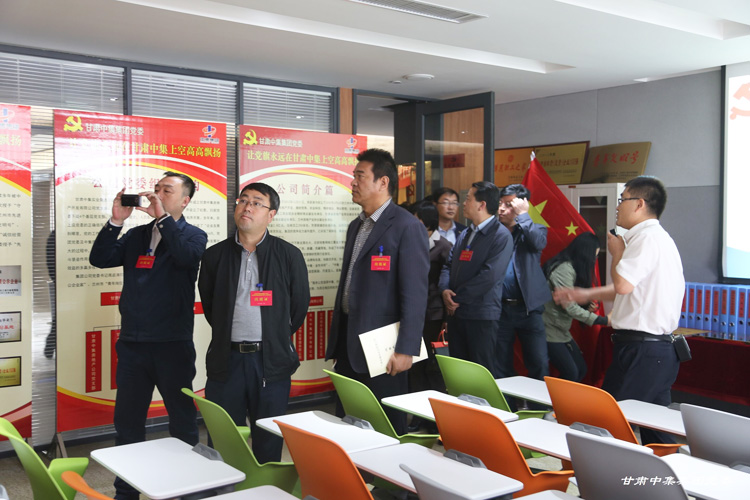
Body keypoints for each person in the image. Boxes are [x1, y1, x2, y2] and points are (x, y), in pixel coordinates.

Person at [89, 172, 206, 500]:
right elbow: (100, 259)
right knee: (127, 424)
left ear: (185, 201)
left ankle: (186, 488)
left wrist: (164, 219)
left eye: (167, 190)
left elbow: (184, 257)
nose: (157, 194)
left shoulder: (194, 235)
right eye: (156, 189)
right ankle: (126, 492)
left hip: (172, 345)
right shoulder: (136, 235)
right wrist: (116, 221)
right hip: (133, 345)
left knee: (182, 420)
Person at [554, 176, 684, 445]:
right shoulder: (658, 238)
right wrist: (585, 294)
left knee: (607, 424)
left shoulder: (645, 239)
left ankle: (602, 471)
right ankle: (668, 470)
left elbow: (623, 285)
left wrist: (617, 254)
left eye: (622, 199)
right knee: (655, 429)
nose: (617, 206)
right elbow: (629, 288)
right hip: (653, 350)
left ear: (639, 204)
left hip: (643, 349)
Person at [198, 182, 309, 463]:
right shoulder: (215, 255)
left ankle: (265, 486)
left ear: (271, 215)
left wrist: (275, 335)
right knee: (224, 440)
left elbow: (299, 306)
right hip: (227, 361)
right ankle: (225, 485)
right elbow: (211, 306)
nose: (247, 207)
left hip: (270, 362)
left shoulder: (288, 255)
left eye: (257, 202)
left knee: (268, 440)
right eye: (243, 200)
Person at [325, 148, 429, 435]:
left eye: (360, 176)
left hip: (384, 350)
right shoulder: (356, 226)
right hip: (349, 345)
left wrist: (406, 349)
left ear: (383, 182)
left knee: (385, 427)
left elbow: (415, 295)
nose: (353, 182)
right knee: (349, 425)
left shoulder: (406, 226)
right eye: (354, 176)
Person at [439, 181, 513, 375]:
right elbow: (448, 265)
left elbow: (489, 276)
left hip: (481, 315)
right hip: (457, 313)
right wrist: (444, 290)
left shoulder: (501, 236)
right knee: (459, 372)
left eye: (468, 199)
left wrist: (457, 298)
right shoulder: (466, 233)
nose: (463, 204)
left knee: (480, 372)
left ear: (482, 205)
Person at [494, 184, 552, 381]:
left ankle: (539, 400)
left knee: (539, 362)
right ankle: (506, 400)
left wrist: (523, 216)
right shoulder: (494, 233)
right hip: (500, 308)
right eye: (500, 203)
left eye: (508, 205)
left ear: (522, 205)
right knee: (500, 363)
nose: (501, 209)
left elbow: (538, 242)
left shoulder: (534, 228)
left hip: (528, 309)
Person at [542, 232, 608, 382]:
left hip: (560, 330)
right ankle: (551, 396)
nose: (594, 261)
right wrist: (602, 320)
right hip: (549, 330)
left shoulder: (570, 268)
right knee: (571, 373)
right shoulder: (564, 269)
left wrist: (585, 310)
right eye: (594, 256)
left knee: (580, 369)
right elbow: (570, 307)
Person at [409, 201, 451, 398]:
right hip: (412, 310)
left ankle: (433, 403)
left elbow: (447, 282)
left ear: (426, 221)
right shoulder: (410, 242)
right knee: (414, 361)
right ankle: (415, 402)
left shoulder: (443, 246)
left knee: (429, 361)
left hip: (433, 313)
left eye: (415, 219)